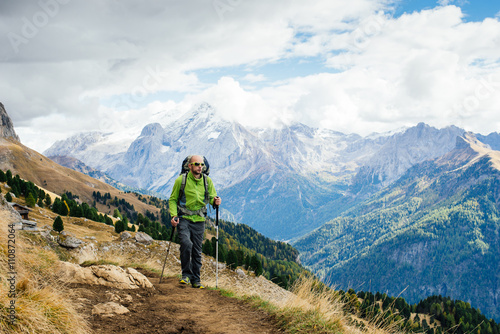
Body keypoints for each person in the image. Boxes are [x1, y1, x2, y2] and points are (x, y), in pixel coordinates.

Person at [169, 155, 222, 289]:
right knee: (186, 244)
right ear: (190, 166)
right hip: (184, 218)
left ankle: (196, 280)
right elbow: (173, 199)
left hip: (199, 220)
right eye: (197, 164)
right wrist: (174, 215)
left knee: (197, 250)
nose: (200, 166)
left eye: (202, 165)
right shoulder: (181, 180)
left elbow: (211, 198)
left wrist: (215, 201)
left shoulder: (207, 181)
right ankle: (186, 275)